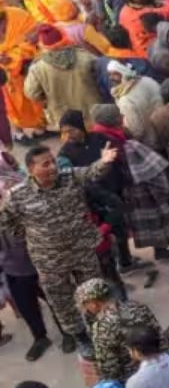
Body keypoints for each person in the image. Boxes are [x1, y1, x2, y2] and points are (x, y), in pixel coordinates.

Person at [0, 145, 117, 353]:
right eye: (45, 164)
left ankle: (102, 328)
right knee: (61, 299)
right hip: (49, 260)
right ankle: (79, 336)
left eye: (53, 161)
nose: (53, 167)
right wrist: (31, 236)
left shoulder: (69, 177)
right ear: (31, 169)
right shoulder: (18, 195)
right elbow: (6, 221)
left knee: (94, 291)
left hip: (81, 250)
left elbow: (91, 172)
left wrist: (105, 161)